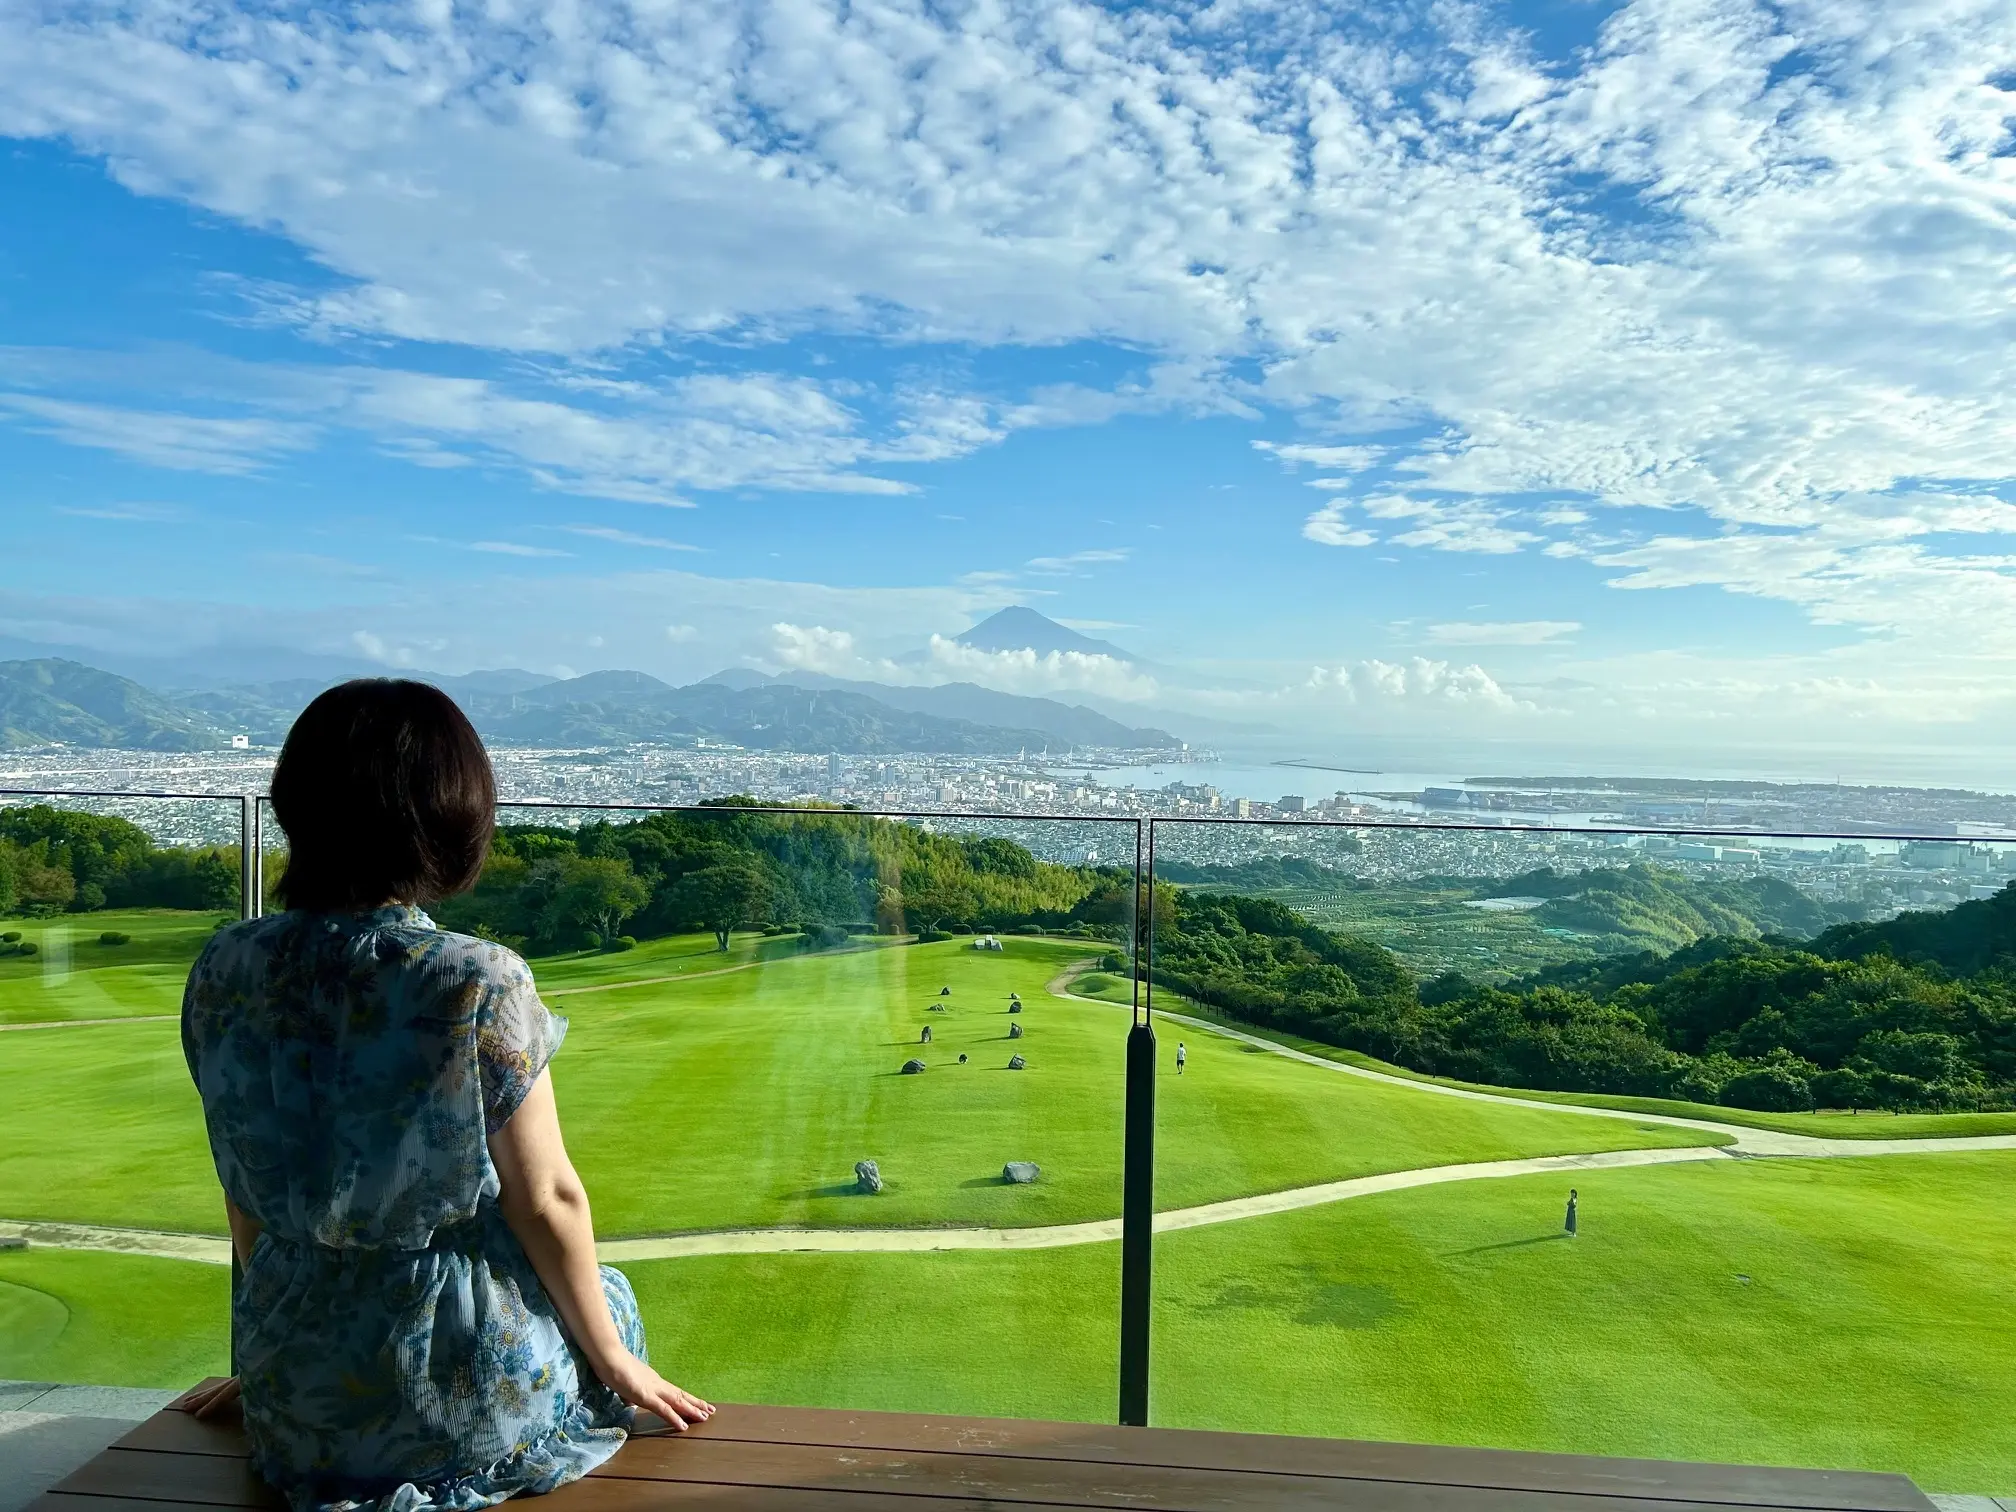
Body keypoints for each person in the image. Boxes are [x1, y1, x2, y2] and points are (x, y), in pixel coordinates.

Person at [177, 680, 713, 1512]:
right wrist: (615, 1362)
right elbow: (547, 1197)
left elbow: (243, 1185)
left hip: (295, 1383)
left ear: (295, 802)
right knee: (607, 1296)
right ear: (450, 814)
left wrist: (264, 1353)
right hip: (452, 1392)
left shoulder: (225, 966)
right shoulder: (473, 979)